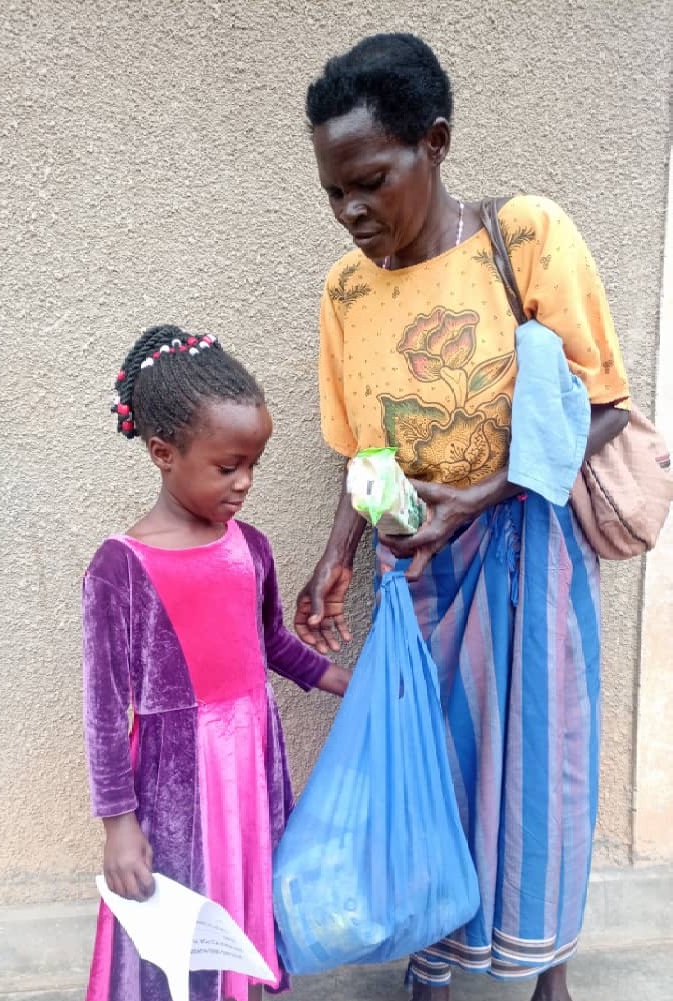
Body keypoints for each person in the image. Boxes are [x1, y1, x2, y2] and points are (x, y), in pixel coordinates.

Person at [295, 33, 630, 1001]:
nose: (351, 211)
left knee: (539, 765)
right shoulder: (344, 292)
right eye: (332, 192)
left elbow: (603, 401)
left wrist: (484, 494)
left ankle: (543, 970)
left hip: (529, 554)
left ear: (433, 143)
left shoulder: (522, 238)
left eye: (369, 180)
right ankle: (431, 958)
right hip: (419, 574)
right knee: (427, 768)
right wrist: (335, 557)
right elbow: (361, 446)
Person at [82, 324, 350, 1001]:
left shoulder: (250, 547)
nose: (244, 482)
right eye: (227, 465)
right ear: (163, 452)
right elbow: (103, 711)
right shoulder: (122, 566)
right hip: (175, 780)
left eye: (253, 463)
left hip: (250, 766)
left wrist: (344, 681)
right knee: (183, 921)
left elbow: (272, 646)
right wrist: (119, 823)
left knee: (242, 897)